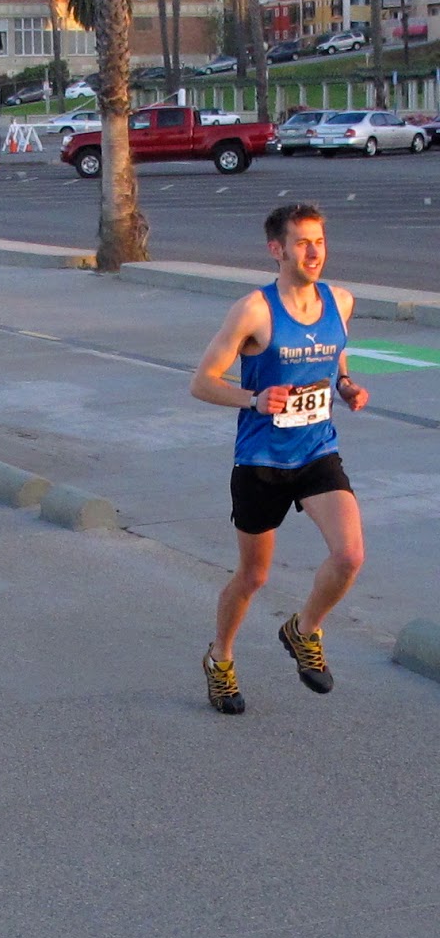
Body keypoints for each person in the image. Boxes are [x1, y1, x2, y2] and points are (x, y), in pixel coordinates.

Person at [191, 203, 368, 716]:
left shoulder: (340, 300)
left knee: (349, 556)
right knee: (253, 577)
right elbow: (202, 382)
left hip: (317, 450)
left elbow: (333, 349)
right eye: (302, 243)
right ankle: (220, 658)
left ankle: (303, 629)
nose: (314, 253)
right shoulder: (254, 311)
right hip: (261, 461)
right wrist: (253, 398)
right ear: (277, 250)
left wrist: (344, 383)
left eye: (319, 242)